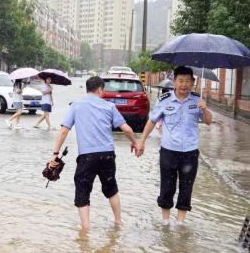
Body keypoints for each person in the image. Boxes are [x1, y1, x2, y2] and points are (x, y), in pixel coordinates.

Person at [48, 76, 139, 230]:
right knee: (111, 188)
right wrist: (135, 143)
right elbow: (126, 129)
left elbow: (64, 131)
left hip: (87, 156)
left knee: (83, 190)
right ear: (100, 90)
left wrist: (55, 154)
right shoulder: (109, 106)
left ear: (87, 89)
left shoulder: (76, 105)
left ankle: (86, 228)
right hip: (107, 155)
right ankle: (118, 221)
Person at [137, 66, 212, 226]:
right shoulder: (164, 100)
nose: (184, 84)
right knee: (167, 186)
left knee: (186, 187)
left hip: (190, 152)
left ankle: (180, 223)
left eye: (187, 81)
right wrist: (141, 141)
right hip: (169, 151)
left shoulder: (197, 100)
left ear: (193, 82)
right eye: (181, 81)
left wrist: (205, 110)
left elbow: (208, 121)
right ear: (174, 82)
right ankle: (165, 221)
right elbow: (151, 121)